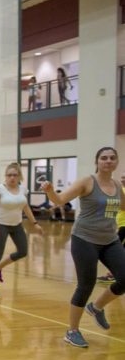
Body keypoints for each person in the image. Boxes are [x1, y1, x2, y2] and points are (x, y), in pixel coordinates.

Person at [41, 147, 125, 348]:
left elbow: (123, 206)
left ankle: (96, 307)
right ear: (97, 162)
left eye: (112, 158)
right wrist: (50, 191)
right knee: (85, 285)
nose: (108, 161)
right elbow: (60, 200)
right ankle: (72, 331)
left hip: (110, 239)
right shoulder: (87, 182)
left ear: (117, 162)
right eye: (104, 158)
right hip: (84, 239)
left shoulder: (116, 185)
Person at [0, 163, 43, 295]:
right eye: (9, 175)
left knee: (23, 251)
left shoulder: (23, 189)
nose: (12, 177)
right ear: (5, 176)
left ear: (19, 176)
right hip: (1, 225)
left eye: (15, 175)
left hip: (17, 225)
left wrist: (34, 223)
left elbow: (26, 207)